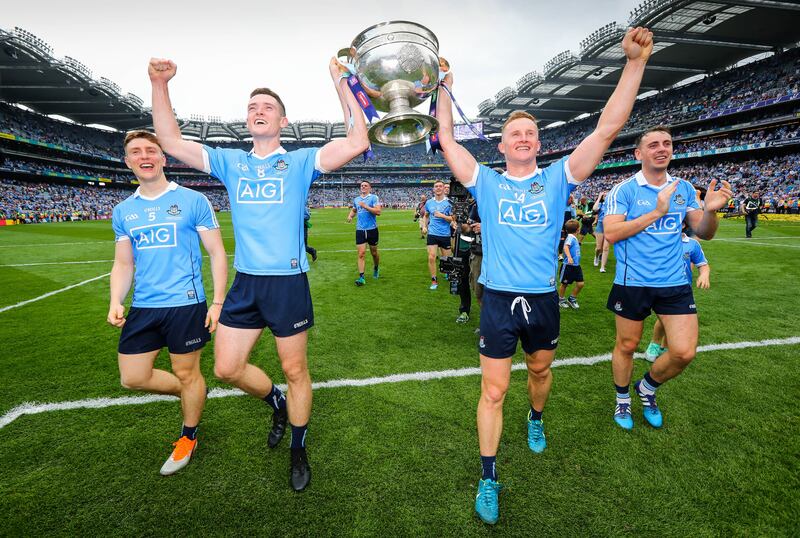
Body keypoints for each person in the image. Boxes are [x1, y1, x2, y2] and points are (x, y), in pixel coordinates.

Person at [436, 27, 655, 525]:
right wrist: (445, 88)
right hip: (497, 299)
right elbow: (446, 138)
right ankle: (488, 477)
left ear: (538, 143)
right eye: (516, 132)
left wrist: (635, 64)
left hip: (541, 300)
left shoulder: (557, 177)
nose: (524, 138)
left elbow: (604, 130)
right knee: (492, 392)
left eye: (531, 133)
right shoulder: (486, 182)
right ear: (502, 143)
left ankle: (536, 418)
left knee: (538, 373)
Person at [148, 56, 369, 491]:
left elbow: (358, 140)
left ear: (282, 120)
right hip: (246, 282)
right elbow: (170, 140)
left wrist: (341, 80)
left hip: (287, 282)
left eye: (267, 106)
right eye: (252, 106)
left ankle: (299, 449)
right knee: (227, 369)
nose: (259, 110)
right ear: (247, 120)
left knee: (296, 369)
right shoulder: (231, 162)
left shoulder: (302, 161)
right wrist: (159, 83)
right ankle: (277, 403)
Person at [107, 130, 227, 476]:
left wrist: (217, 302)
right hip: (144, 306)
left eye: (150, 150)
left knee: (187, 372)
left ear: (163, 158)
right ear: (128, 161)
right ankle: (194, 393)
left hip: (185, 304)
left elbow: (217, 253)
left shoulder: (192, 201)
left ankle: (188, 435)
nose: (144, 156)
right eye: (135, 152)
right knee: (133, 377)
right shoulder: (124, 211)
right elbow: (124, 263)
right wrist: (116, 299)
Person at [603, 125, 732, 432]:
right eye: (654, 145)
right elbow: (611, 233)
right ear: (639, 153)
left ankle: (647, 387)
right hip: (632, 281)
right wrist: (657, 212)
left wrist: (710, 211)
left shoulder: (684, 188)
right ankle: (622, 399)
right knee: (627, 344)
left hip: (674, 282)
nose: (662, 148)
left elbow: (705, 233)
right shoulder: (625, 190)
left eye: (667, 143)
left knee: (684, 352)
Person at [645, 226, 711, 361]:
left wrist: (704, 275)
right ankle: (654, 344)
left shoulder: (692, 244)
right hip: (663, 286)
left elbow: (702, 264)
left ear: (683, 225)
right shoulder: (660, 240)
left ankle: (665, 346)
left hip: (683, 289)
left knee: (676, 320)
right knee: (665, 319)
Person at [347, 180, 381, 286]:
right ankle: (361, 277)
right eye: (362, 185)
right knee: (361, 254)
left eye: (365, 185)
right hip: (360, 230)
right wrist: (350, 216)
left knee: (374, 253)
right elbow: (354, 209)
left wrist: (365, 206)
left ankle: (376, 267)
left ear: (369, 188)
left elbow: (378, 212)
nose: (363, 187)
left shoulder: (373, 198)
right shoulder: (356, 199)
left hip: (372, 230)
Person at [421, 180, 454, 290]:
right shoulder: (429, 202)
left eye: (440, 186)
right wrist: (425, 226)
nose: (438, 188)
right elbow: (426, 215)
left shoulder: (449, 203)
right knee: (431, 257)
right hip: (432, 234)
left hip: (445, 234)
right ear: (433, 189)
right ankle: (434, 280)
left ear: (444, 188)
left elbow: (453, 219)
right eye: (436, 186)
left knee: (447, 259)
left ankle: (448, 274)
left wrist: (442, 216)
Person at [558, 219, 584, 309]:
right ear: (578, 229)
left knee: (580, 284)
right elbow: (565, 247)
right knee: (564, 284)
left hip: (576, 266)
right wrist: (569, 257)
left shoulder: (573, 237)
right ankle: (561, 299)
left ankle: (572, 298)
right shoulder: (570, 237)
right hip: (568, 266)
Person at [593, 192, 610, 272]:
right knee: (599, 248)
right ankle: (596, 256)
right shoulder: (601, 204)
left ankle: (602, 267)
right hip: (600, 225)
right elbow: (594, 209)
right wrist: (599, 197)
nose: (606, 196)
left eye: (607, 195)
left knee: (606, 248)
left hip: (609, 226)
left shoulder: (612, 205)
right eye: (604, 195)